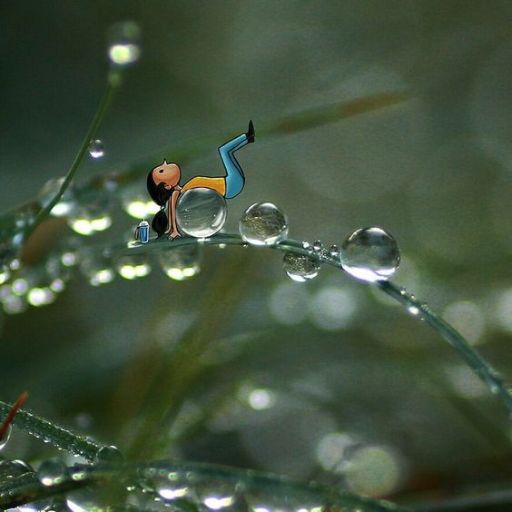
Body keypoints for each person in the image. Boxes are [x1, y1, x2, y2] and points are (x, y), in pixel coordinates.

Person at [147, 120, 255, 239]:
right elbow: (173, 213)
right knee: (224, 151)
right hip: (230, 186)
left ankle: (248, 138)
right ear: (166, 186)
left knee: (226, 152)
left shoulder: (185, 189)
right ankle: (247, 136)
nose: (165, 163)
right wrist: (174, 230)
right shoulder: (178, 194)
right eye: (161, 171)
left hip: (229, 182)